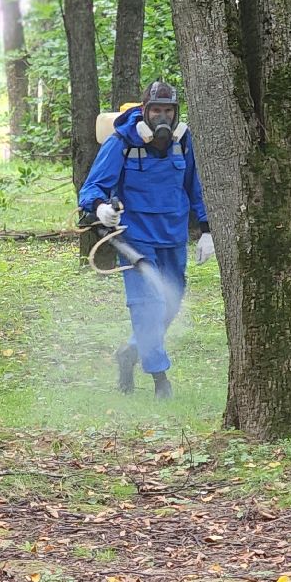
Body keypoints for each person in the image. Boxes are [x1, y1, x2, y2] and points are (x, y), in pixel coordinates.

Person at [77, 80, 214, 400]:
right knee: (147, 306)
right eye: (156, 110)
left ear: (175, 113)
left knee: (170, 302)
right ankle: (160, 379)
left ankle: (130, 352)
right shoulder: (122, 142)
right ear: (144, 112)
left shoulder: (184, 142)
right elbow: (91, 189)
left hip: (172, 236)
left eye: (168, 111)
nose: (162, 117)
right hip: (135, 239)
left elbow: (196, 188)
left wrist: (207, 230)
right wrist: (100, 208)